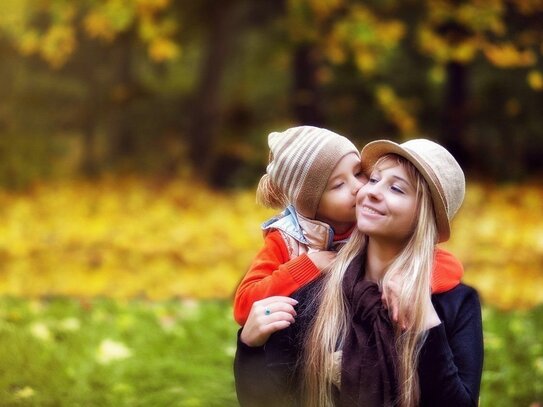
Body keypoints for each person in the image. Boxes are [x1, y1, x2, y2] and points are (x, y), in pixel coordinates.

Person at [234, 139, 484, 407]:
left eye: (397, 189)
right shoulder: (315, 289)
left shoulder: (454, 303)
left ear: (426, 216)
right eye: (374, 179)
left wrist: (425, 318)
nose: (370, 192)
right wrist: (250, 348)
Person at [233, 126, 464, 327]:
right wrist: (307, 266)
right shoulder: (285, 241)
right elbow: (244, 305)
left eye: (358, 173)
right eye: (338, 185)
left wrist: (411, 281)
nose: (358, 188)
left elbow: (447, 264)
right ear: (311, 204)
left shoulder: (369, 225)